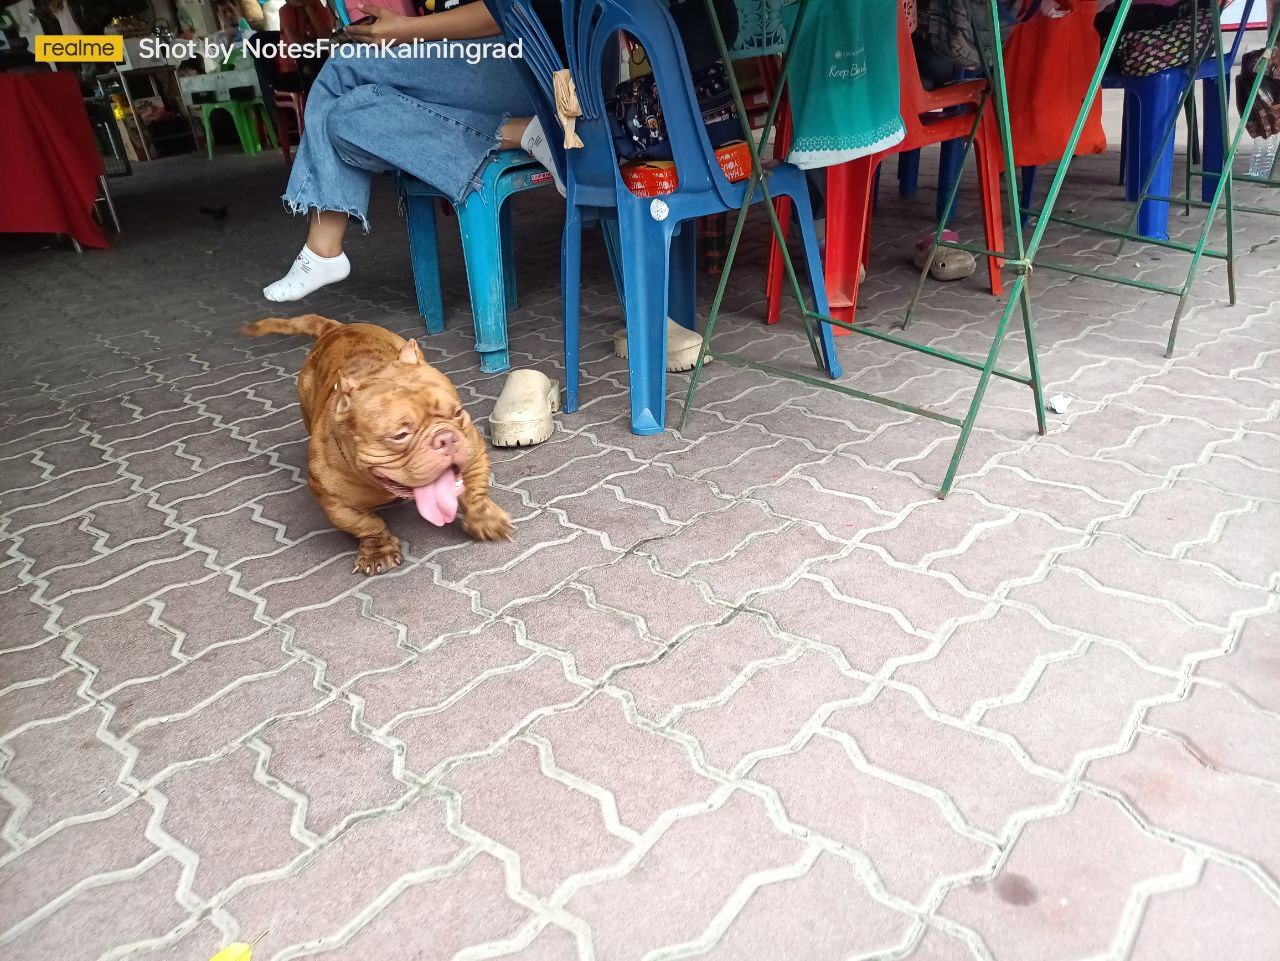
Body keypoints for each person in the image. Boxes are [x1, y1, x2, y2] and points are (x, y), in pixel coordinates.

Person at [262, 0, 739, 303]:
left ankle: (324, 244)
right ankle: (519, 131)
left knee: (349, 62)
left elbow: (502, 11)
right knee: (347, 117)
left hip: (551, 67)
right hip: (525, 63)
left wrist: (408, 30)